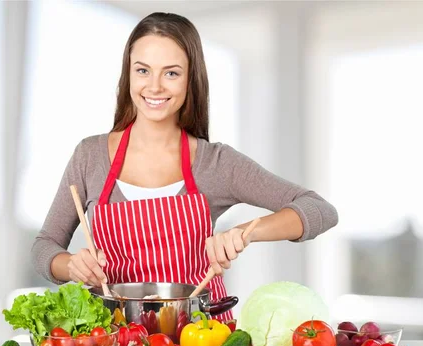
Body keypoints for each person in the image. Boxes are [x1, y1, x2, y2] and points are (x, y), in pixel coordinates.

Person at [32, 12, 338, 322]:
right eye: (143, 70)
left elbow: (320, 210)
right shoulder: (90, 156)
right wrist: (69, 264)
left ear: (191, 78)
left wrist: (245, 233)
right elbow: (45, 247)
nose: (154, 86)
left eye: (171, 73)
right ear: (128, 75)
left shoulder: (216, 163)